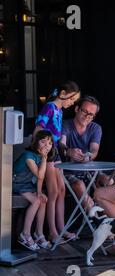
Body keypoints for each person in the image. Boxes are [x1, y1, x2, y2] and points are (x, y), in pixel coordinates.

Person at [34, 81, 81, 243]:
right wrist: (43, 150)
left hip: (56, 151)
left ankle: (61, 228)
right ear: (63, 93)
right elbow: (38, 129)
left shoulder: (59, 111)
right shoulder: (49, 107)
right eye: (72, 99)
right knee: (53, 192)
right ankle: (52, 232)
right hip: (48, 152)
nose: (72, 103)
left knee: (61, 190)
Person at [60, 95, 109, 212]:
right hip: (67, 171)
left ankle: (114, 217)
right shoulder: (65, 125)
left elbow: (94, 151)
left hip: (88, 168)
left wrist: (87, 157)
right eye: (84, 111)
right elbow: (61, 145)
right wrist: (68, 151)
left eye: (91, 114)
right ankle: (96, 217)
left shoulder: (95, 128)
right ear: (77, 109)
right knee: (78, 184)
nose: (87, 116)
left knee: (109, 181)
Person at [13, 130, 55, 251]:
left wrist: (40, 192)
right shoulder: (29, 156)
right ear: (36, 142)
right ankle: (25, 234)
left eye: (50, 143)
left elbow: (39, 180)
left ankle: (39, 233)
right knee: (36, 201)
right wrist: (44, 159)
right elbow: (39, 175)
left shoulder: (40, 156)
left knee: (42, 200)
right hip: (17, 183)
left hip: (27, 184)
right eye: (43, 142)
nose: (47, 146)